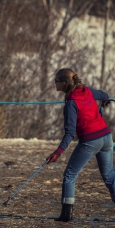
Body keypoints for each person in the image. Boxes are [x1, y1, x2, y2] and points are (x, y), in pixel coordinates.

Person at [46, 68, 115, 222]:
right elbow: (104, 95)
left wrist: (58, 152)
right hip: (106, 137)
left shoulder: (70, 103)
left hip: (91, 140)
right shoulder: (87, 91)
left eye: (56, 81)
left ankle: (66, 215)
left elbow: (70, 133)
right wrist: (104, 101)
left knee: (69, 175)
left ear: (64, 83)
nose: (54, 84)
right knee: (109, 176)